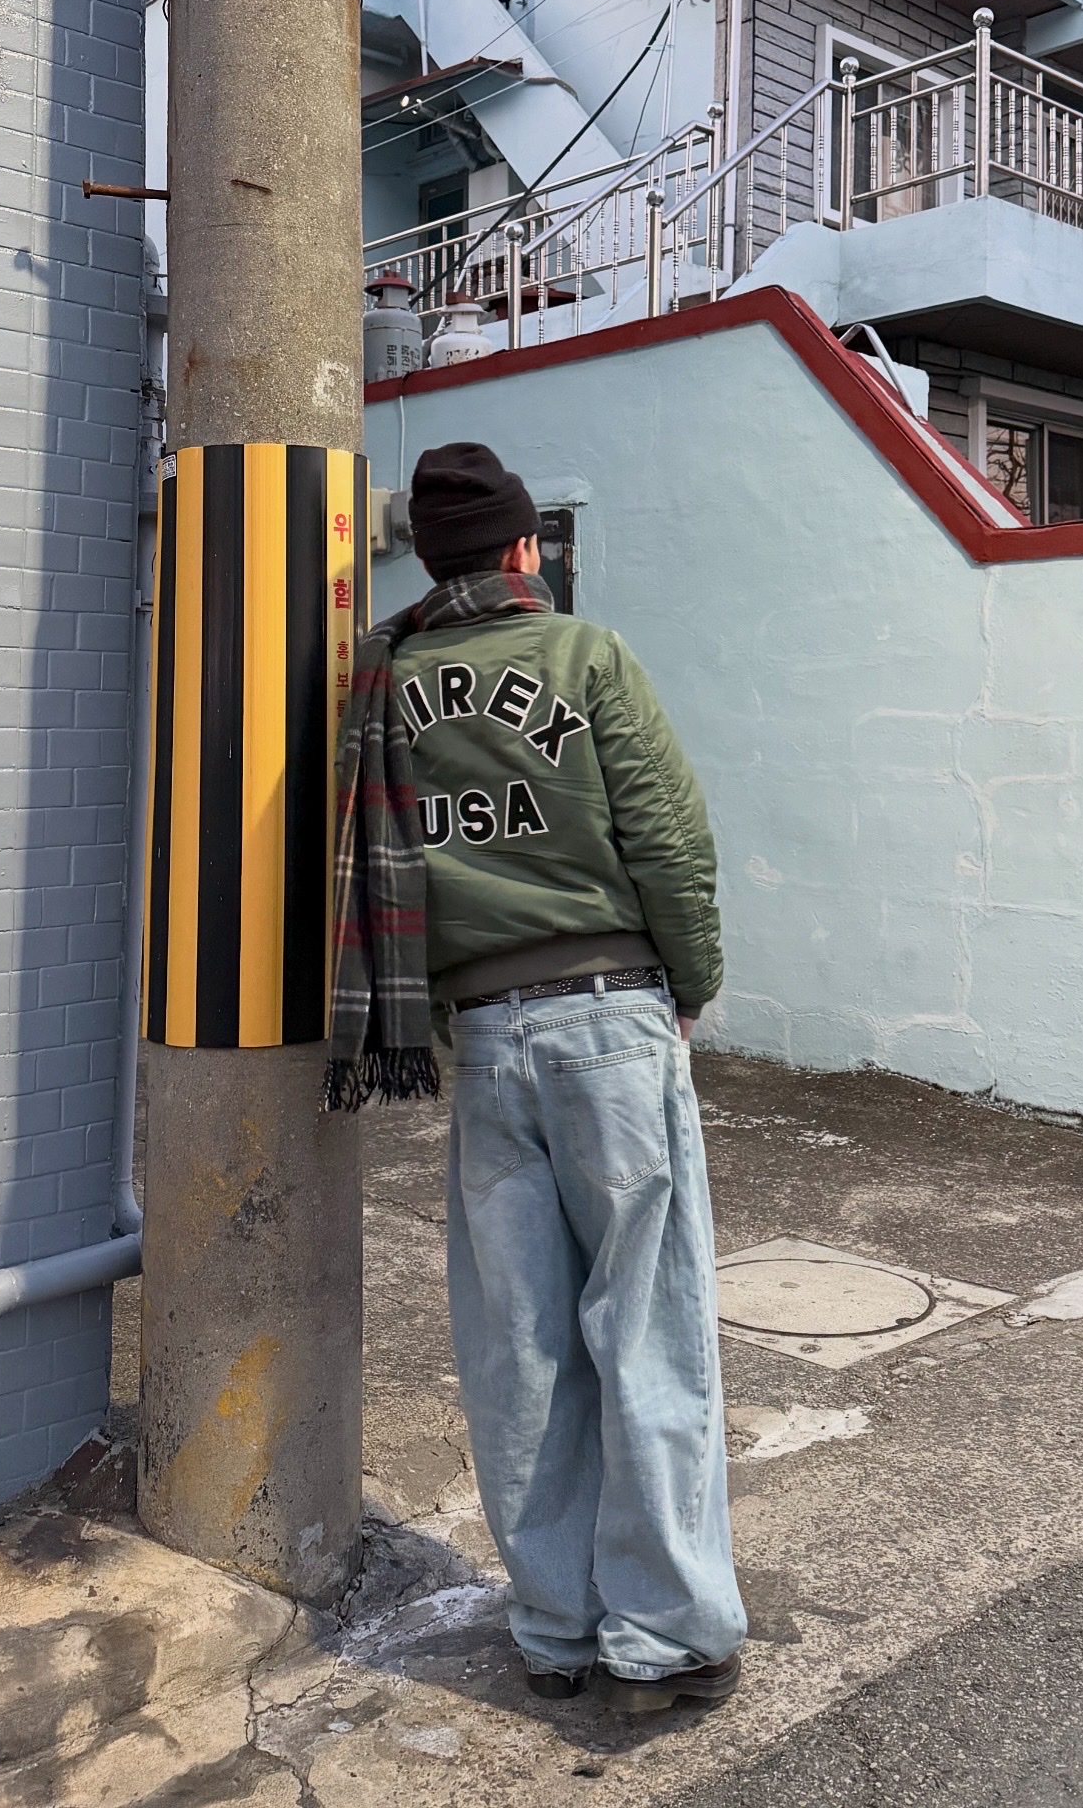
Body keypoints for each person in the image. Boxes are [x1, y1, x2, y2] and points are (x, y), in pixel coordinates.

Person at [327, 442, 746, 1713]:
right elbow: (667, 836)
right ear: (522, 553)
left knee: (520, 1345)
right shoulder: (584, 657)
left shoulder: (382, 681)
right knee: (650, 1328)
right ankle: (663, 1637)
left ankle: (558, 1627)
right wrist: (692, 981)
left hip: (489, 1042)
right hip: (613, 1019)